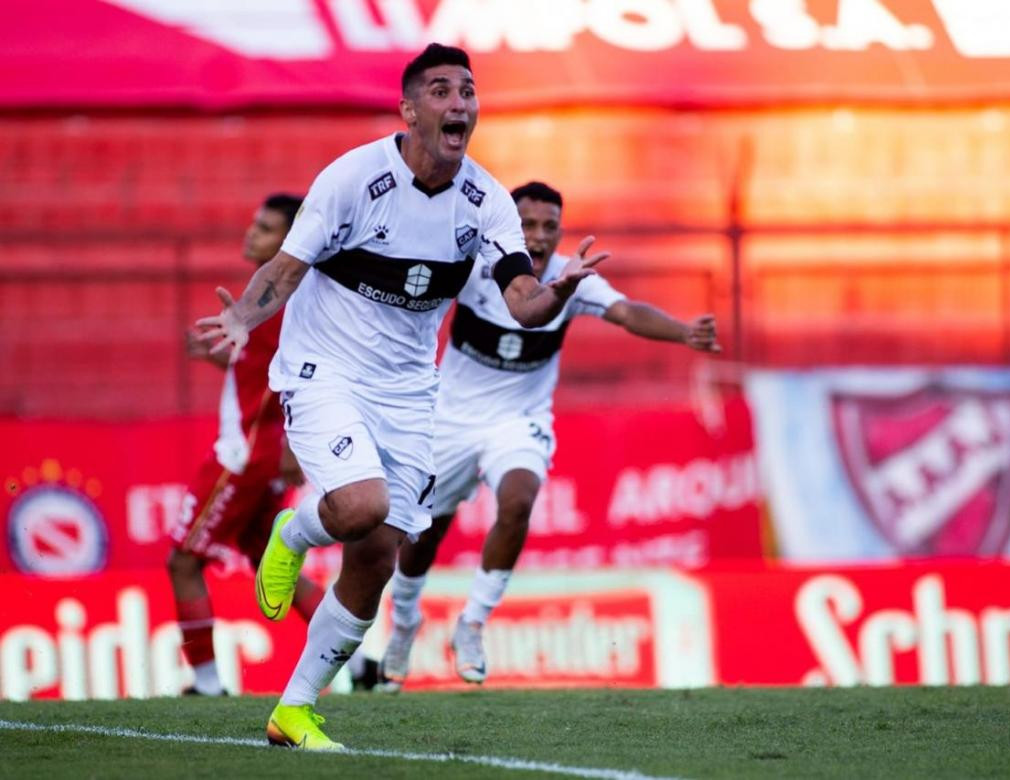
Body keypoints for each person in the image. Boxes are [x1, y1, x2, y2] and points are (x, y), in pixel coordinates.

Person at [194, 44, 606, 751]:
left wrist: (559, 292)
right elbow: (287, 268)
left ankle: (293, 709)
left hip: (411, 387)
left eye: (468, 92)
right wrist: (242, 318)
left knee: (379, 555)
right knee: (362, 507)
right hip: (326, 366)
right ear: (409, 109)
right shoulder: (354, 179)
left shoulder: (486, 204)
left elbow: (523, 303)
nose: (459, 104)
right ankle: (293, 534)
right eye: (442, 91)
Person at [376, 181, 720, 692]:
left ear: (561, 230)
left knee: (517, 500)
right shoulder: (478, 267)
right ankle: (404, 623)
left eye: (548, 227)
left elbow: (625, 312)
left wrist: (682, 331)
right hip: (448, 420)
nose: (537, 238)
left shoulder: (569, 276)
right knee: (421, 534)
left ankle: (471, 625)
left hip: (520, 420)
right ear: (509, 227)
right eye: (527, 225)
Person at [167, 193, 345, 696]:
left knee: (182, 560)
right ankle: (364, 660)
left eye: (265, 228)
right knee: (269, 559)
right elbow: (264, 370)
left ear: (289, 239)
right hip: (263, 447)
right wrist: (221, 359)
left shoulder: (281, 296)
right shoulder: (282, 293)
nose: (252, 234)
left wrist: (289, 444)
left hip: (245, 453)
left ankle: (205, 683)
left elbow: (293, 376)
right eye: (254, 224)